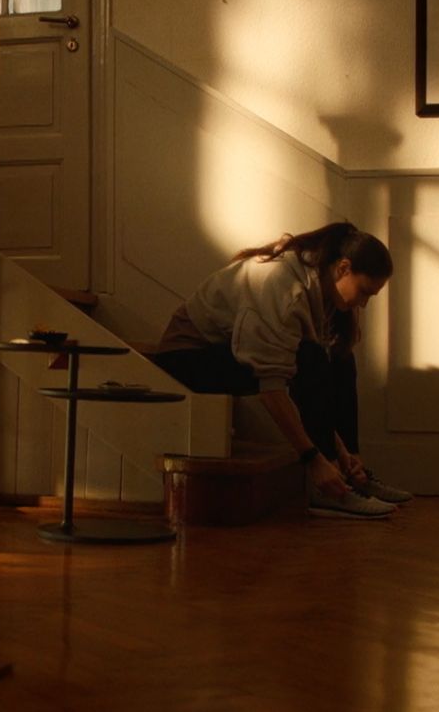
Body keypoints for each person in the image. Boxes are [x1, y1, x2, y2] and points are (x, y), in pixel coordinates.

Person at [150, 221, 413, 519]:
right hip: (183, 360)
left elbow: (316, 392)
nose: (363, 304)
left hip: (225, 352)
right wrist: (314, 460)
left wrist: (342, 451)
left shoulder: (317, 288)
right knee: (310, 357)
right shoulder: (283, 289)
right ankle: (326, 489)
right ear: (343, 268)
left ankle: (352, 469)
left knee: (340, 358)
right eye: (364, 292)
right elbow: (272, 388)